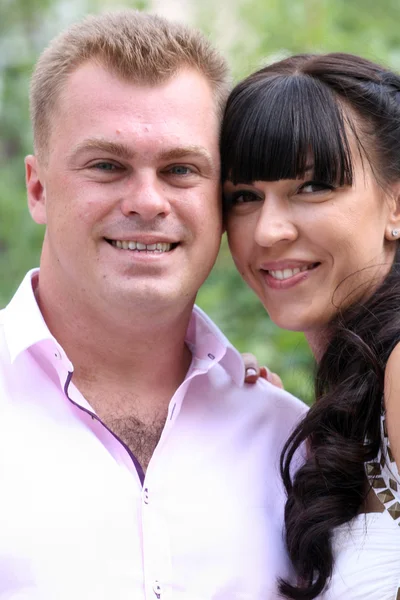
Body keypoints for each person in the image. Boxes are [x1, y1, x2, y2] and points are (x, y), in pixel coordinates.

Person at [0, 10, 307, 600]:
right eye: (108, 166)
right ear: (38, 188)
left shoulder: (290, 442)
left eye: (181, 170)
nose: (147, 201)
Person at [221, 52, 400, 599]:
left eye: (313, 186)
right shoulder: (344, 418)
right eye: (244, 197)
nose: (269, 231)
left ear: (396, 204)